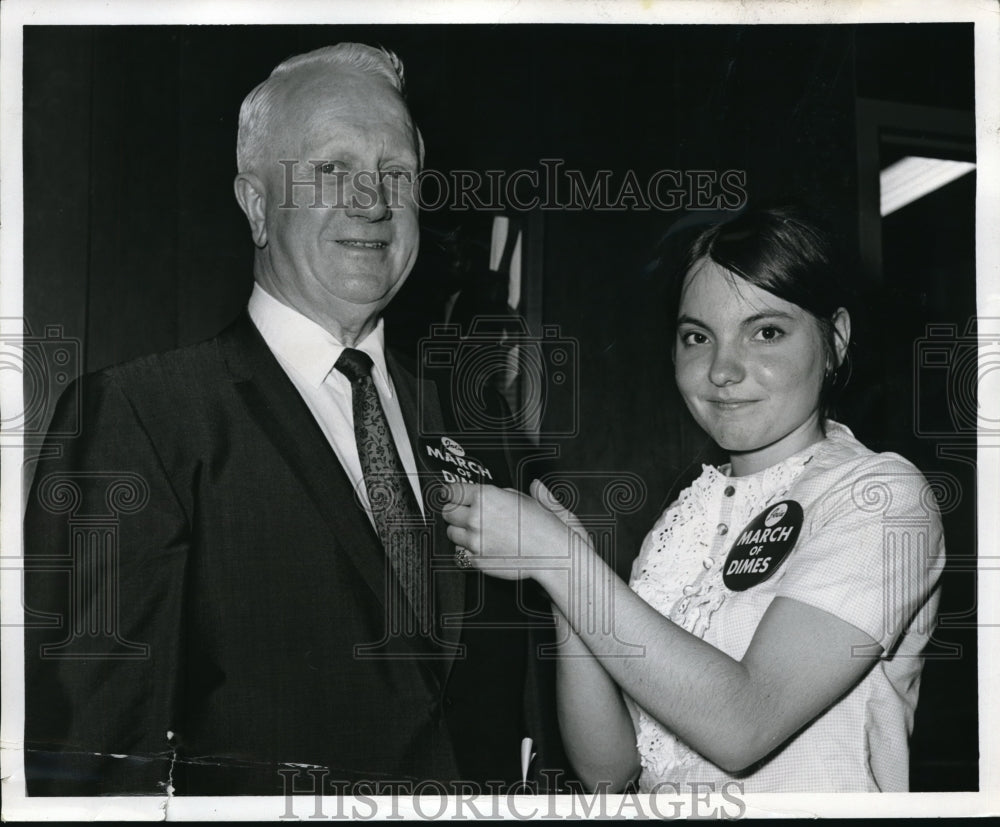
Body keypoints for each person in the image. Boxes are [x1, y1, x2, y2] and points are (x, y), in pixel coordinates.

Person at [24, 43, 557, 796]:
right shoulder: (144, 419)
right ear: (255, 204)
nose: (372, 200)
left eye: (396, 175)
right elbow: (92, 759)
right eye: (331, 169)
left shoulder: (479, 430)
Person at [442, 207, 945, 792]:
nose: (722, 370)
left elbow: (743, 722)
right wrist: (564, 589)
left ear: (835, 340)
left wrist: (570, 565)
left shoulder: (878, 497)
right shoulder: (687, 518)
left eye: (766, 332)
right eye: (697, 337)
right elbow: (610, 771)